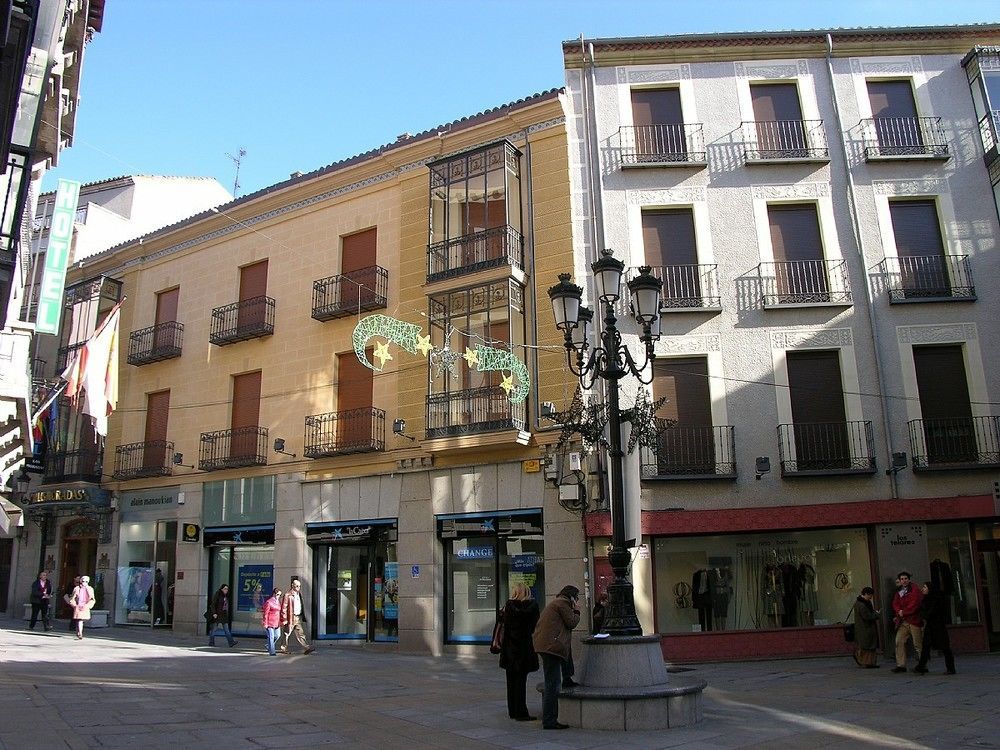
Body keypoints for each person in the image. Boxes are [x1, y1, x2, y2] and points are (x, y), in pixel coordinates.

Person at [532, 584, 580, 730]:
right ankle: (549, 720)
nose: (577, 600)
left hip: (547, 645)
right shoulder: (562, 604)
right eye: (576, 597)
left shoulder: (556, 603)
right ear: (571, 597)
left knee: (553, 678)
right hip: (551, 647)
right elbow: (572, 622)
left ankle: (567, 678)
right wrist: (577, 610)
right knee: (552, 684)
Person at [498, 582, 540, 722]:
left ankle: (513, 710)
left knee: (511, 681)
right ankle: (521, 711)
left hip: (510, 649)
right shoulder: (533, 607)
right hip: (524, 647)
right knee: (521, 681)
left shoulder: (509, 607)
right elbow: (535, 626)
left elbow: (504, 625)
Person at [915, 581, 956, 675]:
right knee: (925, 646)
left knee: (945, 647)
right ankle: (921, 666)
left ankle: (951, 668)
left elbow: (931, 612)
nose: (923, 589)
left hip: (938, 626)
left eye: (925, 587)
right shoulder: (926, 599)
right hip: (930, 626)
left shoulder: (936, 599)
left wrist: (925, 614)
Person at [891, 571, 923, 673]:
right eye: (902, 579)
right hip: (903, 621)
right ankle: (901, 665)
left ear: (909, 579)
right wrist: (899, 612)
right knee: (899, 641)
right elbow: (895, 603)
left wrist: (903, 612)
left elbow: (915, 604)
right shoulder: (899, 591)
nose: (904, 581)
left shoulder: (915, 590)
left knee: (918, 644)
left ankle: (922, 663)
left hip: (914, 620)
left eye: (905, 579)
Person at [279, 577, 314, 655]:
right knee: (286, 633)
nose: (298, 587)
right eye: (297, 586)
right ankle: (283, 648)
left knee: (300, 633)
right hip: (290, 617)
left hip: (297, 617)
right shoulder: (288, 595)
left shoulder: (299, 594)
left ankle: (306, 647)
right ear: (292, 586)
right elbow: (284, 608)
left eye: (299, 586)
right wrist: (284, 619)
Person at [852, 586, 880, 668]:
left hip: (864, 628)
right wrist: (877, 614)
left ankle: (869, 663)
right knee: (867, 646)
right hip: (866, 628)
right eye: (870, 595)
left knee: (868, 646)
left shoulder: (860, 603)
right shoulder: (862, 605)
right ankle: (866, 662)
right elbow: (867, 617)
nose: (871, 597)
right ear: (866, 594)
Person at [70, 576, 96, 640]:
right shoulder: (77, 588)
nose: (84, 583)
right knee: (80, 620)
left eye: (86, 581)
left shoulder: (90, 589)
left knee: (82, 620)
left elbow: (92, 599)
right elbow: (72, 598)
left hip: (85, 606)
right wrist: (74, 605)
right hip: (78, 606)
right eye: (83, 581)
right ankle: (80, 633)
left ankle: (79, 631)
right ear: (81, 581)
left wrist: (88, 606)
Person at [261, 587, 283, 656]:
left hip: (276, 622)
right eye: (277, 594)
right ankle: (272, 652)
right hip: (270, 622)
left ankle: (268, 645)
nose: (278, 596)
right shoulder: (269, 602)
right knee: (271, 636)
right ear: (274, 594)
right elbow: (266, 613)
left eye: (279, 595)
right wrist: (265, 622)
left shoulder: (278, 602)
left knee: (277, 635)